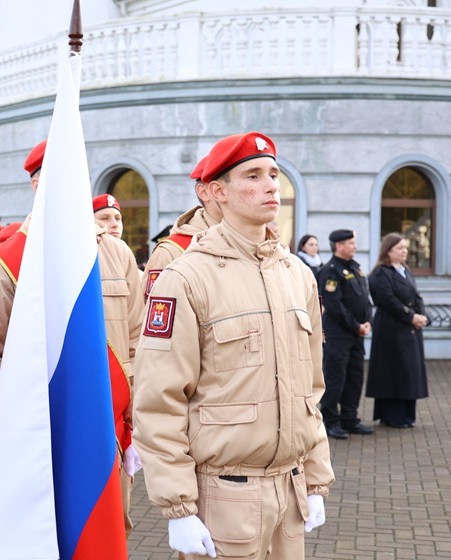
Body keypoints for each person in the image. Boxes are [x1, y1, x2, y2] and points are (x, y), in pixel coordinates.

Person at [134, 132, 333, 559]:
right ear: (218, 192)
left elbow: (310, 391)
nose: (270, 185)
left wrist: (316, 480)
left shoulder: (298, 275)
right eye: (253, 175)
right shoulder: (186, 278)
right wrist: (178, 508)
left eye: (274, 175)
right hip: (224, 498)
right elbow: (158, 401)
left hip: (290, 494)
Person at [0, 139, 143, 534]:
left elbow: (138, 346)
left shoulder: (116, 254)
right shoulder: (3, 264)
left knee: (108, 536)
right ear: (37, 184)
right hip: (39, 437)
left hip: (110, 432)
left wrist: (135, 427)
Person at [366, 233, 429, 428]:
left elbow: (416, 296)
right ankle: (392, 416)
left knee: (410, 371)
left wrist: (422, 315)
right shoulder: (380, 273)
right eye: (400, 248)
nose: (405, 251)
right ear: (388, 251)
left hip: (410, 328)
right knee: (393, 371)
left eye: (405, 247)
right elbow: (388, 300)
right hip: (391, 328)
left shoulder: (405, 270)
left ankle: (407, 415)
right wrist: (411, 316)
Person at [318, 229, 374, 440]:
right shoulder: (330, 271)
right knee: (336, 377)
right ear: (339, 245)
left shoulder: (356, 268)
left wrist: (368, 321)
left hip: (357, 333)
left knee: (355, 377)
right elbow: (333, 305)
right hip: (338, 334)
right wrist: (355, 325)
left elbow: (365, 299)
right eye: (351, 243)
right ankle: (331, 421)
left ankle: (350, 419)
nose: (355, 246)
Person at [142, 155, 222, 299]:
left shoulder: (262, 246)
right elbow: (159, 314)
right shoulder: (171, 252)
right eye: (252, 177)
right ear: (204, 192)